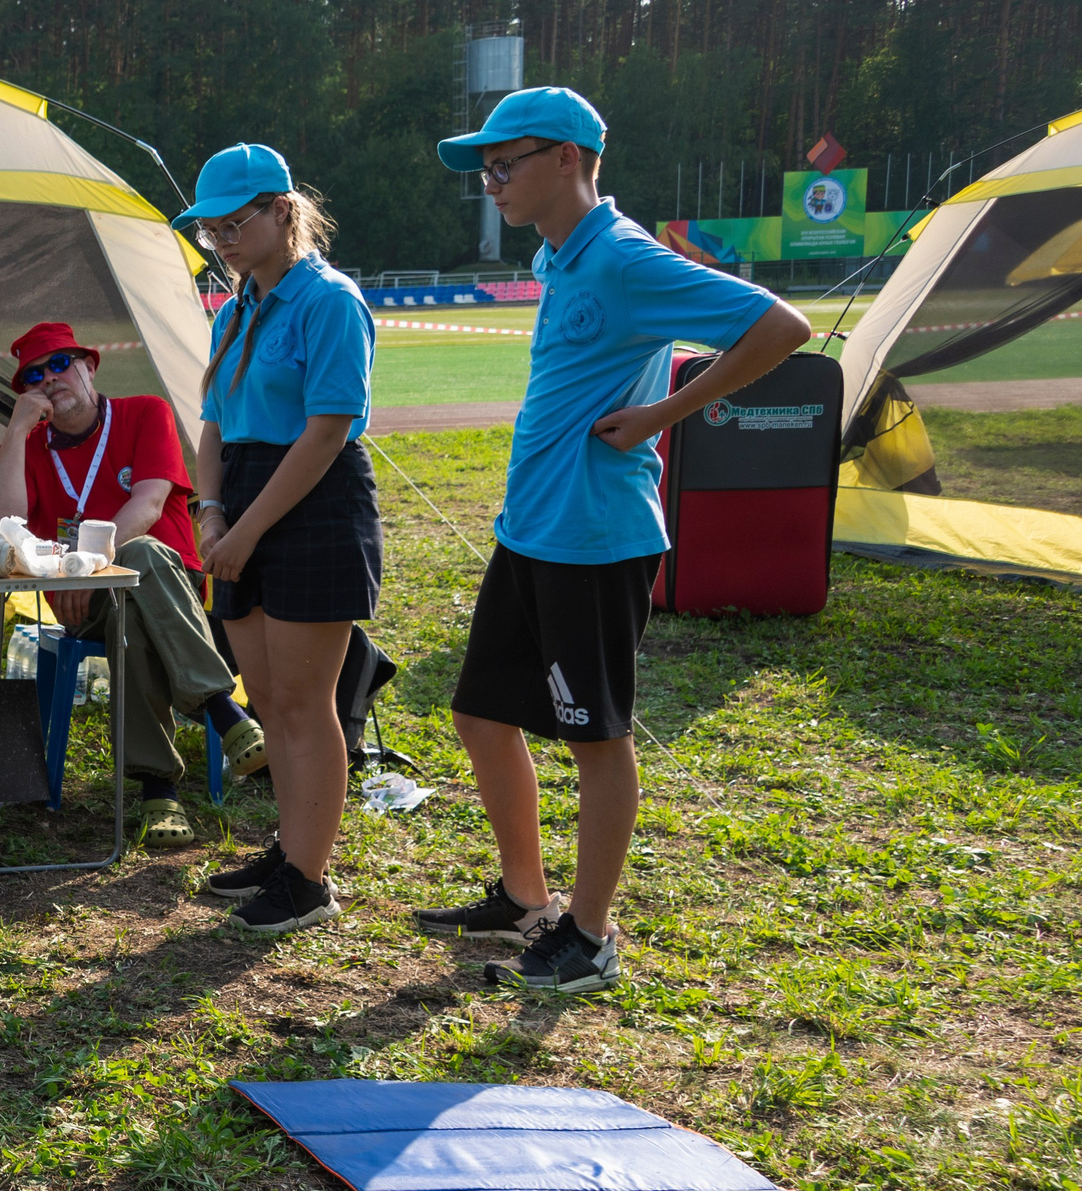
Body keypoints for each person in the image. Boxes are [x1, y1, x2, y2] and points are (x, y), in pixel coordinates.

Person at [413, 89, 810, 993]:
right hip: (533, 528)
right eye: (485, 169)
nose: (491, 183)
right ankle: (525, 899)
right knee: (480, 713)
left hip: (594, 537)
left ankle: (589, 938)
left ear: (568, 158)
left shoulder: (624, 256)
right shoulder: (558, 256)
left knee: (596, 739)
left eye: (504, 164)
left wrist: (665, 413)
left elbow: (780, 326)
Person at [173, 145, 384, 936]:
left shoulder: (330, 301)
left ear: (284, 211)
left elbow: (326, 433)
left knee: (304, 703)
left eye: (235, 223)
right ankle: (293, 850)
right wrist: (212, 513)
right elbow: (214, 424)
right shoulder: (235, 310)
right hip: (243, 501)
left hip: (312, 502)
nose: (221, 241)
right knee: (268, 698)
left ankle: (309, 878)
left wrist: (248, 527)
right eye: (211, 230)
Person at [0, 321, 262, 849]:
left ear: (89, 366)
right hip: (81, 601)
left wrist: (87, 565)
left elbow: (148, 506)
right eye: (34, 376)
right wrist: (14, 434)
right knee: (130, 591)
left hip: (166, 581)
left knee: (141, 557)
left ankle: (159, 789)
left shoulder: (144, 412)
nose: (49, 379)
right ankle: (224, 711)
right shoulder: (32, 446)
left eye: (60, 364)